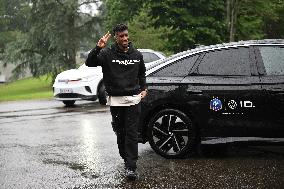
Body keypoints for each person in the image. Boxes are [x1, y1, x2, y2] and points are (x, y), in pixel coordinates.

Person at [85, 23, 147, 180]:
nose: (125, 38)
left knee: (132, 134)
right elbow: (89, 63)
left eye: (126, 35)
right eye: (121, 36)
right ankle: (126, 160)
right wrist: (98, 48)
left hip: (133, 100)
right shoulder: (106, 54)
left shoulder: (137, 55)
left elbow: (142, 75)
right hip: (116, 101)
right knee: (121, 134)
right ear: (116, 37)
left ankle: (131, 167)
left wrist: (144, 88)